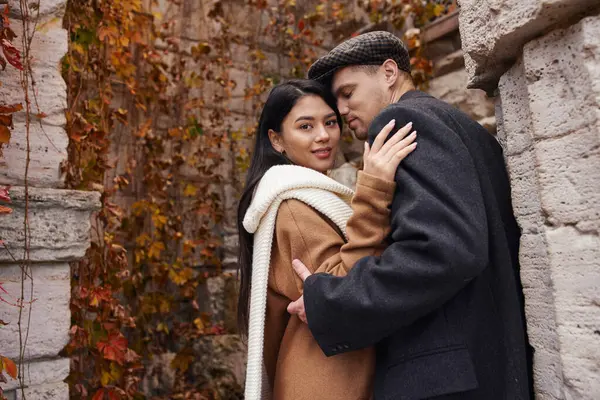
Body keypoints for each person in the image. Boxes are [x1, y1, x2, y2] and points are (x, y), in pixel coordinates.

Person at [287, 31, 533, 399]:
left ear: (389, 73)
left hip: (444, 382)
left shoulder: (405, 120)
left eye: (348, 93)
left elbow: (442, 251)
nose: (340, 110)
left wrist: (333, 301)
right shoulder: (461, 126)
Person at [236, 79, 417, 400]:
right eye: (305, 126)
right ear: (276, 140)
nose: (323, 135)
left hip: (329, 371)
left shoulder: (311, 195)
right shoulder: (294, 205)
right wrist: (374, 188)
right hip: (328, 380)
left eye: (330, 122)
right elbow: (342, 290)